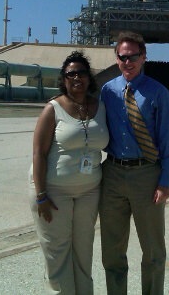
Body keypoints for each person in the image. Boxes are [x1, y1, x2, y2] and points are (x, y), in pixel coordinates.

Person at [100, 31, 169, 295]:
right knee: (112, 251)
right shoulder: (108, 91)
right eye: (122, 57)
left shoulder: (159, 94)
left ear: (144, 57)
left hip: (146, 175)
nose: (127, 62)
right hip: (112, 174)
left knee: (153, 251)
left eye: (133, 56)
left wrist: (165, 183)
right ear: (117, 58)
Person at [29, 50, 109, 294]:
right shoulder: (52, 109)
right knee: (58, 255)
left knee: (84, 252)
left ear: (89, 77)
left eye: (82, 73)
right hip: (53, 193)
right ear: (63, 79)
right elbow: (39, 153)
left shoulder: (100, 107)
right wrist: (41, 194)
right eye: (71, 74)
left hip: (89, 192)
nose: (77, 78)